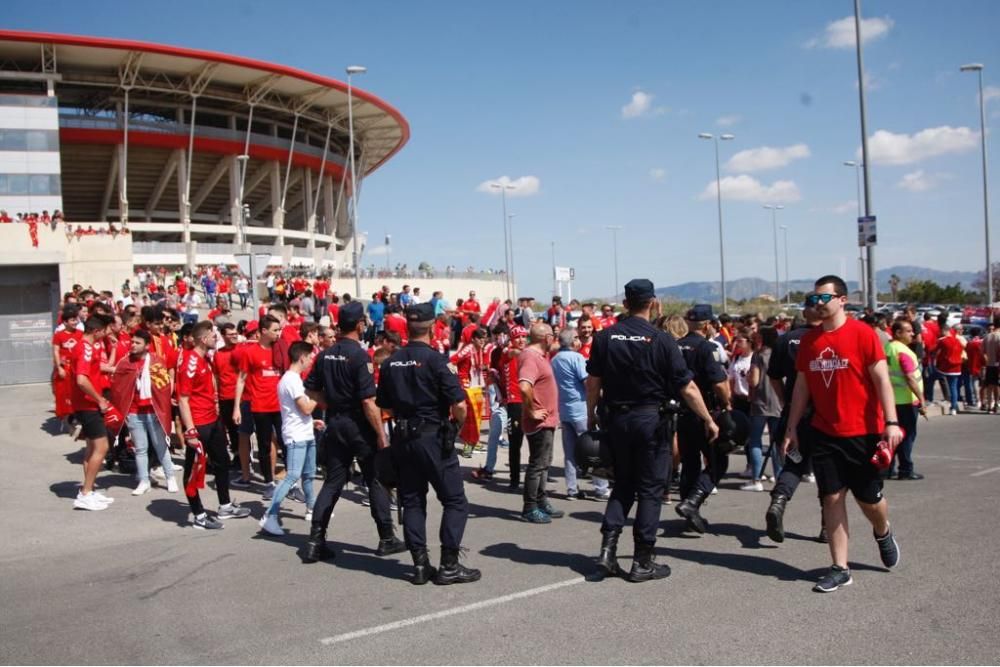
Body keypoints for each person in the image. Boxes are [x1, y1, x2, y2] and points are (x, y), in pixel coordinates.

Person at [586, 280, 717, 582]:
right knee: (649, 491)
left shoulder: (604, 337)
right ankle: (642, 560)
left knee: (622, 485)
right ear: (654, 303)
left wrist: (591, 414)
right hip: (650, 422)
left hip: (617, 420)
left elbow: (593, 381)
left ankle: (607, 553)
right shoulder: (661, 339)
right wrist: (708, 419)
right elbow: (688, 387)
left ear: (625, 303)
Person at [783, 275, 902, 593]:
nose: (817, 305)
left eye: (823, 298)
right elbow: (802, 387)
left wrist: (891, 422)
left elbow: (882, 381)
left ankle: (882, 529)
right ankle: (840, 567)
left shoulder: (863, 334)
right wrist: (792, 427)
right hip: (825, 432)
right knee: (831, 498)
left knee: (869, 500)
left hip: (863, 432)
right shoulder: (810, 341)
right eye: (813, 299)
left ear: (842, 300)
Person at [376, 303, 480, 585]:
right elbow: (459, 403)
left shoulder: (391, 363)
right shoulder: (436, 360)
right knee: (455, 500)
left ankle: (420, 565)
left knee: (412, 500)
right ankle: (448, 565)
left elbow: (383, 404)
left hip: (404, 436)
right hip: (432, 436)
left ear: (407, 329)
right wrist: (455, 427)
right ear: (432, 327)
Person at [302, 301, 405, 562]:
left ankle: (315, 541)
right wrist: (381, 437)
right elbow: (368, 401)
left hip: (335, 422)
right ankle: (387, 538)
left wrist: (332, 402)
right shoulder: (360, 356)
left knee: (333, 480)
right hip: (357, 425)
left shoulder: (325, 354)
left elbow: (311, 390)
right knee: (376, 479)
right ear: (359, 324)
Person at [176, 321, 251, 528]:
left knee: (223, 462)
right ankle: (199, 516)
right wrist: (190, 430)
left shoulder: (206, 358)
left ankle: (225, 506)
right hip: (198, 424)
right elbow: (182, 399)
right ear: (202, 339)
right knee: (193, 470)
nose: (216, 337)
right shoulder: (190, 362)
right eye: (212, 335)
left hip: (213, 420)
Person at [764, 303, 823, 544]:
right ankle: (828, 526)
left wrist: (786, 401)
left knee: (794, 464)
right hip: (822, 412)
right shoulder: (825, 338)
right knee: (826, 470)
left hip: (794, 411)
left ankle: (779, 500)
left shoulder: (785, 340)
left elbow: (774, 376)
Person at [673, 304, 732, 534]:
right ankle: (693, 502)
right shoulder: (707, 348)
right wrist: (726, 403)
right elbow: (718, 383)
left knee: (689, 463)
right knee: (718, 461)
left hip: (681, 412)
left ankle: (690, 511)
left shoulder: (676, 346)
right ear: (707, 325)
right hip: (705, 413)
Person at [260, 341, 320, 536]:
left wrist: (312, 422)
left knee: (309, 475)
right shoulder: (291, 380)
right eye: (310, 357)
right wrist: (318, 396)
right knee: (293, 475)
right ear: (302, 357)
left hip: (305, 432)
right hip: (296, 436)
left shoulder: (295, 379)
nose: (311, 361)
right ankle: (270, 516)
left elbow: (298, 411)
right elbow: (306, 407)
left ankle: (312, 509)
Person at [108, 329, 178, 495]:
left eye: (137, 343)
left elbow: (164, 386)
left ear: (147, 346)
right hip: (134, 412)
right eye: (132, 342)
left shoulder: (157, 362)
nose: (133, 345)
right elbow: (118, 388)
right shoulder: (125, 362)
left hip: (154, 411)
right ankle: (143, 480)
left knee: (160, 446)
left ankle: (170, 478)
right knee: (140, 449)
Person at [551, 328, 610, 501]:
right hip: (580, 408)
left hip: (564, 409)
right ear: (572, 340)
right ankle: (601, 488)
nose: (579, 341)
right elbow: (588, 383)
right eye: (576, 337)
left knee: (570, 452)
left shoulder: (554, 360)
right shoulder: (576, 358)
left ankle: (572, 489)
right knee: (594, 449)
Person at [515, 322, 563, 524]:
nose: (555, 338)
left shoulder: (540, 357)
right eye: (553, 335)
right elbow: (525, 386)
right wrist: (532, 410)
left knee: (544, 463)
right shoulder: (530, 357)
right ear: (546, 338)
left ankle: (541, 501)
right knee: (537, 464)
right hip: (539, 422)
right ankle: (530, 507)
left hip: (547, 420)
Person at [234, 315, 283, 498]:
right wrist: (236, 407)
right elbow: (241, 379)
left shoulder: (281, 349)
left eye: (279, 330)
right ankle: (268, 482)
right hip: (260, 406)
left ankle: (292, 482)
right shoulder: (250, 352)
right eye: (275, 330)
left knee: (286, 443)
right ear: (263, 331)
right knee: (263, 444)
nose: (279, 333)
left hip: (280, 406)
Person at [71, 314, 116, 511]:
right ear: (97, 331)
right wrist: (99, 399)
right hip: (89, 405)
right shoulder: (85, 348)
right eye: (105, 330)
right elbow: (81, 379)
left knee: (91, 448)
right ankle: (85, 493)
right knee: (101, 447)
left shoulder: (87, 347)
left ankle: (88, 489)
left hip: (88, 404)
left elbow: (97, 369)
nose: (108, 333)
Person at [885, 318, 926, 481]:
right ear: (898, 333)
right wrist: (922, 399)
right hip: (906, 401)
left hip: (891, 400)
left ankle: (888, 468)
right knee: (907, 436)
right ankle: (906, 469)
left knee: (892, 436)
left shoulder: (888, 348)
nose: (912, 334)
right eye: (908, 331)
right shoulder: (904, 351)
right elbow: (910, 378)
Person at [743, 326, 782, 492]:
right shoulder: (780, 354)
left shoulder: (758, 356)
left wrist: (748, 376)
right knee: (776, 441)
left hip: (760, 402)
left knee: (756, 440)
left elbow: (754, 380)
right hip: (778, 401)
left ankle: (756, 478)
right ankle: (779, 477)